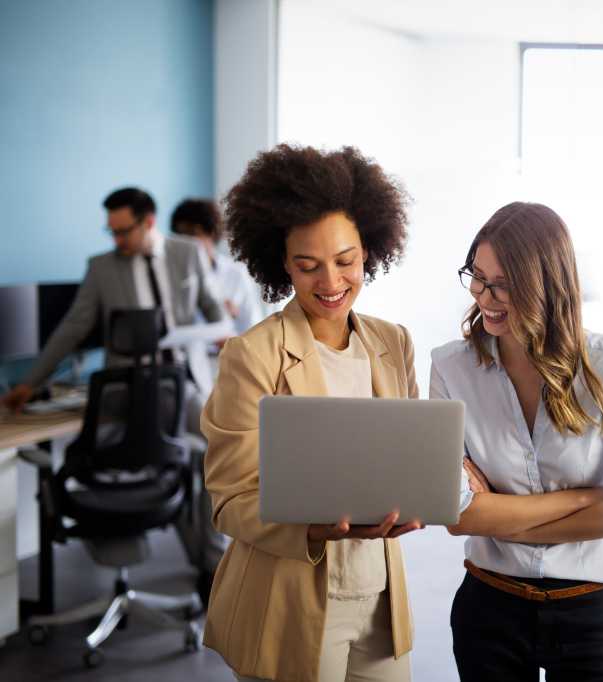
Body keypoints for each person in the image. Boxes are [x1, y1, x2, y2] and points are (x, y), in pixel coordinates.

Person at [201, 144, 422, 682]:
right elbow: (230, 498)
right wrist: (313, 529)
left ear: (368, 250)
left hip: (380, 600)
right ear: (282, 264)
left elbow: (409, 456)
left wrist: (417, 498)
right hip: (289, 600)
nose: (330, 283)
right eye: (308, 266)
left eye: (345, 261)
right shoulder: (252, 355)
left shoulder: (393, 344)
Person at [430, 202, 603, 681]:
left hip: (592, 610)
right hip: (489, 610)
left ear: (546, 285)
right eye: (477, 275)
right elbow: (458, 515)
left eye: (503, 283)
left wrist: (501, 518)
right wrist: (584, 499)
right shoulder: (451, 368)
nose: (483, 295)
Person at [1, 186, 230, 579]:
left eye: (124, 231)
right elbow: (73, 327)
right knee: (103, 455)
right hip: (124, 391)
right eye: (112, 232)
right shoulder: (101, 267)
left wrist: (188, 335)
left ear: (149, 223)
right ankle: (120, 546)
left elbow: (220, 319)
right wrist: (32, 381)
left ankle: (215, 566)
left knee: (223, 454)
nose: (117, 240)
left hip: (181, 383)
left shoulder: (187, 254)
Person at [171, 198, 263, 336]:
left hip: (228, 352)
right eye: (182, 236)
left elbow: (254, 328)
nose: (189, 243)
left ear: (212, 233)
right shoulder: (172, 274)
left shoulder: (236, 273)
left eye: (193, 234)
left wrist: (231, 316)